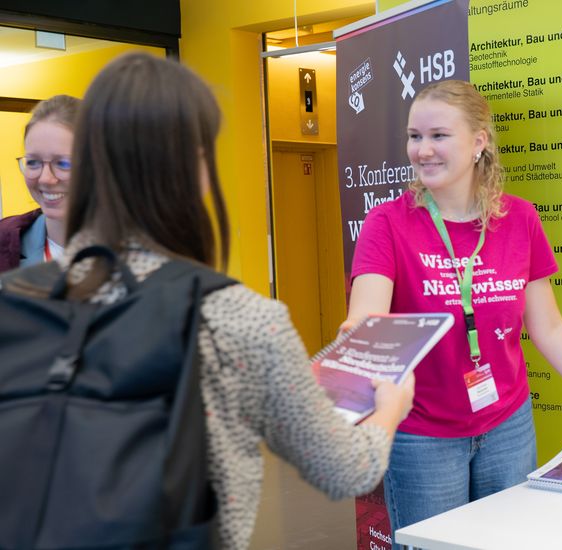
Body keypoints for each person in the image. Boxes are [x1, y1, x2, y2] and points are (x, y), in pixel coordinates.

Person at [59, 52, 414, 549]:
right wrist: (390, 409)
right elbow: (345, 469)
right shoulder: (238, 320)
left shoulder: (21, 299)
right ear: (196, 169)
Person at [345, 79, 562, 543]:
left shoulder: (520, 219)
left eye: (438, 135)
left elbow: (548, 327)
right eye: (414, 136)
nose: (422, 149)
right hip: (425, 433)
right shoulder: (387, 224)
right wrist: (361, 339)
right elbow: (369, 321)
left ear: (479, 142)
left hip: (508, 424)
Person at [0, 94, 79, 272]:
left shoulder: (143, 251)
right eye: (33, 162)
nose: (45, 178)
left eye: (63, 163)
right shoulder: (6, 245)